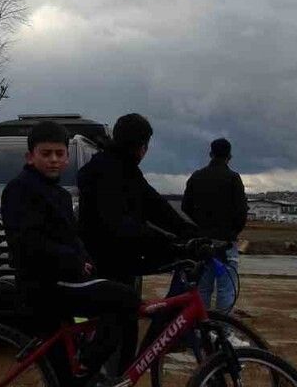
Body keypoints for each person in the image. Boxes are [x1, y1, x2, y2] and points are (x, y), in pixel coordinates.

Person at [2, 121, 138, 387]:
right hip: (45, 283)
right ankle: (89, 365)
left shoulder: (59, 194)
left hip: (62, 279)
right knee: (126, 298)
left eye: (59, 153)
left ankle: (82, 371)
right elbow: (28, 242)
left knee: (62, 371)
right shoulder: (20, 189)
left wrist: (85, 258)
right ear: (30, 157)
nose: (53, 159)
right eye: (46, 153)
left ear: (67, 157)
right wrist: (73, 260)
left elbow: (71, 237)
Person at [77, 113, 198, 372]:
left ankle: (115, 375)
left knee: (126, 328)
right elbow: (121, 225)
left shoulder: (124, 167)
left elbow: (155, 206)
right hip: (102, 262)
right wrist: (170, 243)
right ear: (141, 145)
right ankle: (85, 372)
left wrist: (190, 233)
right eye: (145, 145)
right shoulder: (107, 170)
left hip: (120, 261)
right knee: (114, 330)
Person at [182, 137, 247, 313]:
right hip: (225, 244)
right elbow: (241, 212)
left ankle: (199, 330)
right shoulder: (233, 178)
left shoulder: (197, 176)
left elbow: (185, 207)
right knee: (226, 289)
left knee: (202, 288)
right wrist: (232, 232)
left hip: (201, 242)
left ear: (210, 154)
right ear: (230, 156)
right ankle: (223, 331)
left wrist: (199, 226)